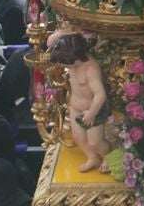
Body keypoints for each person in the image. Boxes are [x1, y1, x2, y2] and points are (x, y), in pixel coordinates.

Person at [47, 31, 113, 172]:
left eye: (66, 63)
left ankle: (108, 157)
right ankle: (93, 157)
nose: (65, 66)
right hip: (75, 107)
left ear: (76, 57)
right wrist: (73, 31)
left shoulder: (90, 68)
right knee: (78, 137)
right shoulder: (71, 60)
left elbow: (100, 95)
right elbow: (49, 42)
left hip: (93, 110)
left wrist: (92, 114)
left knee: (95, 141)